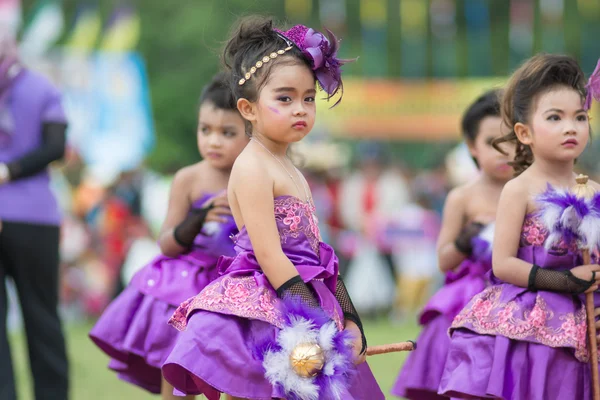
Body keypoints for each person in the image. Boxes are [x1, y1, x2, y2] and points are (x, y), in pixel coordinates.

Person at [162, 16, 384, 400]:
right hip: (271, 306)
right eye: (285, 98)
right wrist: (314, 320)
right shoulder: (251, 166)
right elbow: (268, 253)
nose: (300, 108)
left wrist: (350, 318)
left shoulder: (290, 169)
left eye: (309, 98)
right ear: (248, 109)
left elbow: (320, 255)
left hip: (307, 296)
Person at [439, 54, 600, 399]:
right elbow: (503, 263)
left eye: (580, 117)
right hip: (531, 324)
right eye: (555, 117)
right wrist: (565, 281)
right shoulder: (519, 189)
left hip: (586, 321)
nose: (570, 127)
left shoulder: (593, 189)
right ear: (524, 133)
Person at [89, 72, 248, 399]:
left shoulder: (255, 178)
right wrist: (197, 219)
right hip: (188, 285)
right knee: (178, 374)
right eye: (206, 130)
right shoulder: (188, 179)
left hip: (236, 284)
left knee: (237, 375)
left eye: (227, 132)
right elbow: (167, 243)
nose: (213, 140)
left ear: (250, 132)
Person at [391, 89, 514, 398]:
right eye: (492, 143)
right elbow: (444, 260)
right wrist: (466, 238)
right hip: (469, 296)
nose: (504, 151)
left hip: (518, 292)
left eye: (511, 140)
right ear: (472, 146)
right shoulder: (463, 196)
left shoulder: (531, 192)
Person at [0, 31, 69, 400]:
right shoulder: (42, 88)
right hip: (35, 218)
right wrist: (13, 170)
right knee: (42, 315)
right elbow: (56, 146)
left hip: (30, 217)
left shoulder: (40, 88)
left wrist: (6, 171)